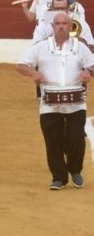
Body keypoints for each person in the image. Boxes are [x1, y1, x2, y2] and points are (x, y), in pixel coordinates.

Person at [16, 12, 94, 190]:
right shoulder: (41, 47)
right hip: (49, 103)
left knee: (76, 139)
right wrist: (33, 73)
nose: (60, 26)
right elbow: (20, 65)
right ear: (52, 27)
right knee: (53, 141)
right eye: (57, 23)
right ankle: (59, 177)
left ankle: (75, 170)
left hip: (76, 102)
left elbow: (92, 64)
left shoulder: (80, 47)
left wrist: (88, 73)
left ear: (70, 26)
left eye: (64, 23)